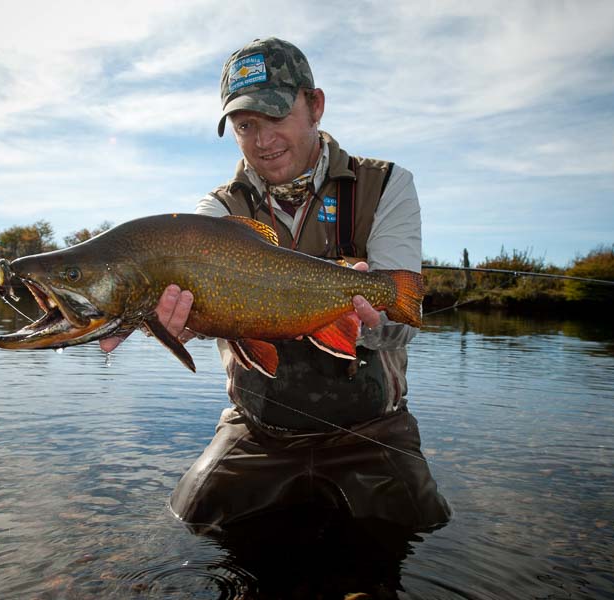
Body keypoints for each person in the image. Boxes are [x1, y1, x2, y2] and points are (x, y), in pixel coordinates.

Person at [101, 37, 450, 532]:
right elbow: (190, 307)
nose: (262, 140)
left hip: (373, 428)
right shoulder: (215, 213)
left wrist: (369, 321)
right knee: (188, 521)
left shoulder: (387, 184)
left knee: (421, 529)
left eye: (276, 116)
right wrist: (165, 325)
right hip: (258, 428)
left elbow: (402, 322)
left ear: (315, 106)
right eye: (246, 125)